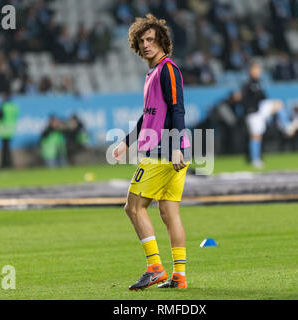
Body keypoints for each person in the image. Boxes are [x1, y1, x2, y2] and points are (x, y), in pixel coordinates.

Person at [112, 14, 190, 290]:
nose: (146, 45)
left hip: (163, 151)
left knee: (133, 207)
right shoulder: (153, 72)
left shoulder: (168, 69)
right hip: (167, 152)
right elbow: (148, 116)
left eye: (151, 40)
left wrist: (177, 147)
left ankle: (155, 267)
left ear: (162, 42)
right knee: (169, 212)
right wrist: (127, 141)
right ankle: (179, 276)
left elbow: (177, 109)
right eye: (141, 40)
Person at [240, 63, 298, 168]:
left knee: (278, 104)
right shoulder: (247, 84)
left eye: (259, 70)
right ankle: (255, 160)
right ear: (251, 70)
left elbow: (264, 98)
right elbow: (246, 100)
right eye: (256, 70)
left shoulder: (258, 83)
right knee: (256, 136)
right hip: (253, 112)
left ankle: (286, 126)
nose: (259, 72)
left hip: (260, 111)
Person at [0, 91, 19, 168]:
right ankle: (9, 163)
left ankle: (5, 164)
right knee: (8, 148)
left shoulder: (4, 106)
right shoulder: (14, 106)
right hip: (11, 128)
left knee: (4, 148)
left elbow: (0, 116)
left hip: (4, 129)